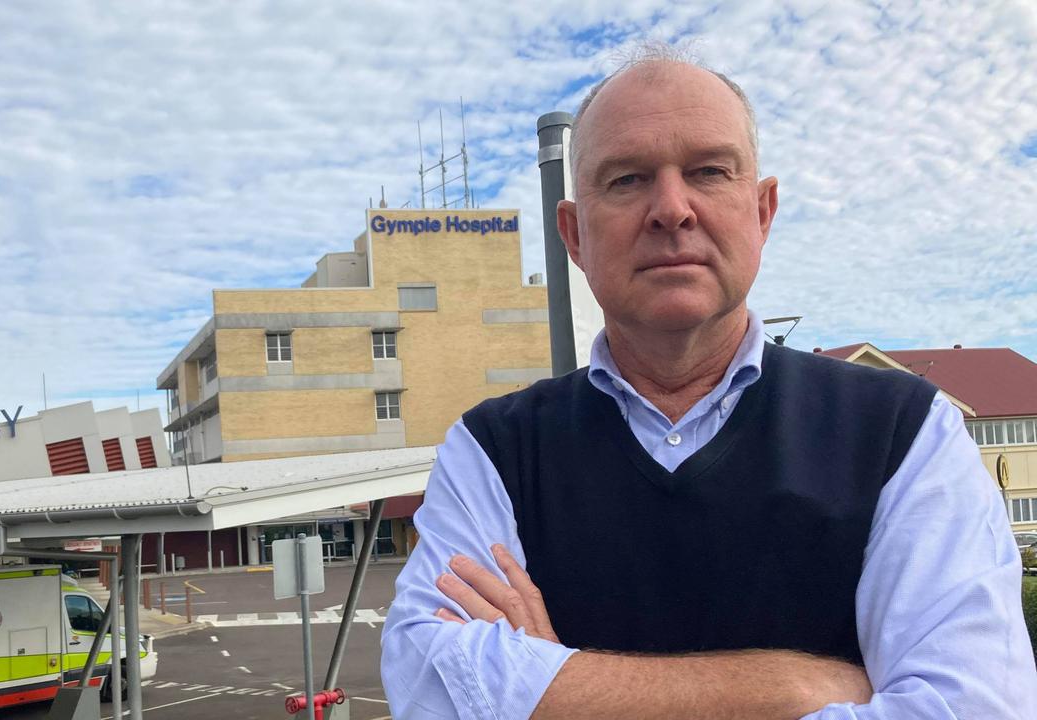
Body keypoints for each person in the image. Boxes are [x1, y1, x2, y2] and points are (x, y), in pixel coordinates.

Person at [380, 44, 1037, 719]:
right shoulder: (493, 450)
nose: (672, 208)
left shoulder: (904, 434)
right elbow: (432, 691)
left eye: (709, 171)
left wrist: (552, 687)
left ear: (763, 212)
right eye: (628, 179)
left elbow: (979, 706)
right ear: (574, 236)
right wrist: (799, 689)